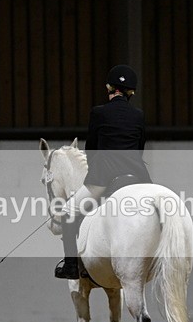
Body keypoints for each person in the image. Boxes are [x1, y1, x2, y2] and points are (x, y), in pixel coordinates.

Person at [55, 64, 152, 279]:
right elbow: (140, 148)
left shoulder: (99, 112)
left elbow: (91, 150)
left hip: (104, 179)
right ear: (131, 92)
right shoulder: (138, 115)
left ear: (109, 88)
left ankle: (70, 265)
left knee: (69, 212)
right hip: (137, 179)